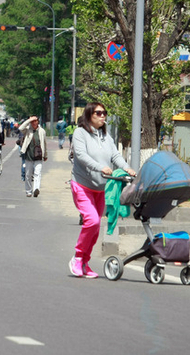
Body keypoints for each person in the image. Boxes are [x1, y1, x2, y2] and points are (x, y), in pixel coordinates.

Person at [68, 102, 136, 278]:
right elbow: (81, 155)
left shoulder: (106, 136)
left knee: (96, 227)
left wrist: (126, 168)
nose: (102, 116)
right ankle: (77, 257)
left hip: (101, 188)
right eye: (98, 113)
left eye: (104, 113)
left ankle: (85, 261)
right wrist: (100, 167)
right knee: (92, 221)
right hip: (82, 185)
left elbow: (115, 155)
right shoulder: (80, 133)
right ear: (89, 114)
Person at [19, 116, 48, 197]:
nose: (34, 123)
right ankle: (28, 191)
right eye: (32, 121)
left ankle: (36, 189)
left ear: (38, 122)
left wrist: (45, 154)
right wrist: (29, 120)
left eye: (35, 121)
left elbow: (44, 143)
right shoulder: (28, 130)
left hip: (38, 155)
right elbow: (21, 128)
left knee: (37, 173)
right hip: (29, 155)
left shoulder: (42, 131)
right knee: (28, 175)